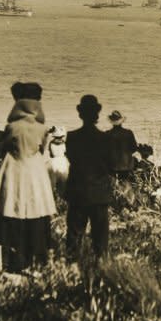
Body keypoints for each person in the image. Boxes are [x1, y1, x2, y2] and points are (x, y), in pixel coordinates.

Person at [0, 82, 57, 272]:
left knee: (14, 208)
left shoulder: (12, 126)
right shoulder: (42, 128)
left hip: (15, 168)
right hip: (35, 170)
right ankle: (38, 256)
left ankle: (15, 257)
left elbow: (3, 146)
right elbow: (43, 148)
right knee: (37, 210)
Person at [65, 95, 113, 258]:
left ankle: (72, 270)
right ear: (97, 115)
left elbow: (72, 159)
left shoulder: (71, 137)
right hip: (99, 192)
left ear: (80, 114)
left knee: (74, 235)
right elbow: (110, 164)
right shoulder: (105, 139)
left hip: (78, 190)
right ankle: (101, 268)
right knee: (100, 239)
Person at [105, 110, 138, 179]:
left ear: (112, 122)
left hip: (111, 165)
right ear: (121, 121)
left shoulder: (107, 134)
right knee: (124, 184)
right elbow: (134, 148)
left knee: (113, 185)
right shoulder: (128, 133)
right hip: (126, 165)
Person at [47, 126, 69, 199]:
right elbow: (66, 153)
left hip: (53, 162)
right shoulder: (64, 143)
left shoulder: (51, 143)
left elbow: (51, 154)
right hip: (63, 161)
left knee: (52, 183)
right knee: (64, 182)